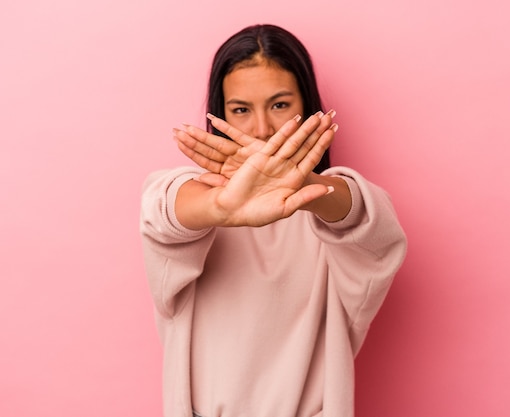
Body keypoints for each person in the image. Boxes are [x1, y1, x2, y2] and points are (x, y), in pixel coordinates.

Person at [140, 23, 407, 417]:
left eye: (279, 105)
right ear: (220, 113)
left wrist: (301, 182)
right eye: (241, 110)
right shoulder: (190, 201)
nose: (262, 129)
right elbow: (162, 211)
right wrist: (221, 208)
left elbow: (375, 226)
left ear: (307, 105)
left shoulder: (333, 211)